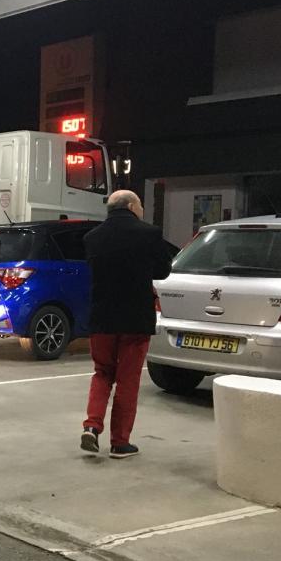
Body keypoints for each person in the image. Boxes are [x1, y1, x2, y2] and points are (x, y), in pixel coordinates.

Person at [80, 190, 174, 459]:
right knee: (127, 380)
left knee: (102, 373)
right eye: (141, 205)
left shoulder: (92, 237)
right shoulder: (149, 234)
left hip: (101, 319)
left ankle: (92, 425)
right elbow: (163, 271)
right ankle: (120, 442)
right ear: (132, 206)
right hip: (135, 319)